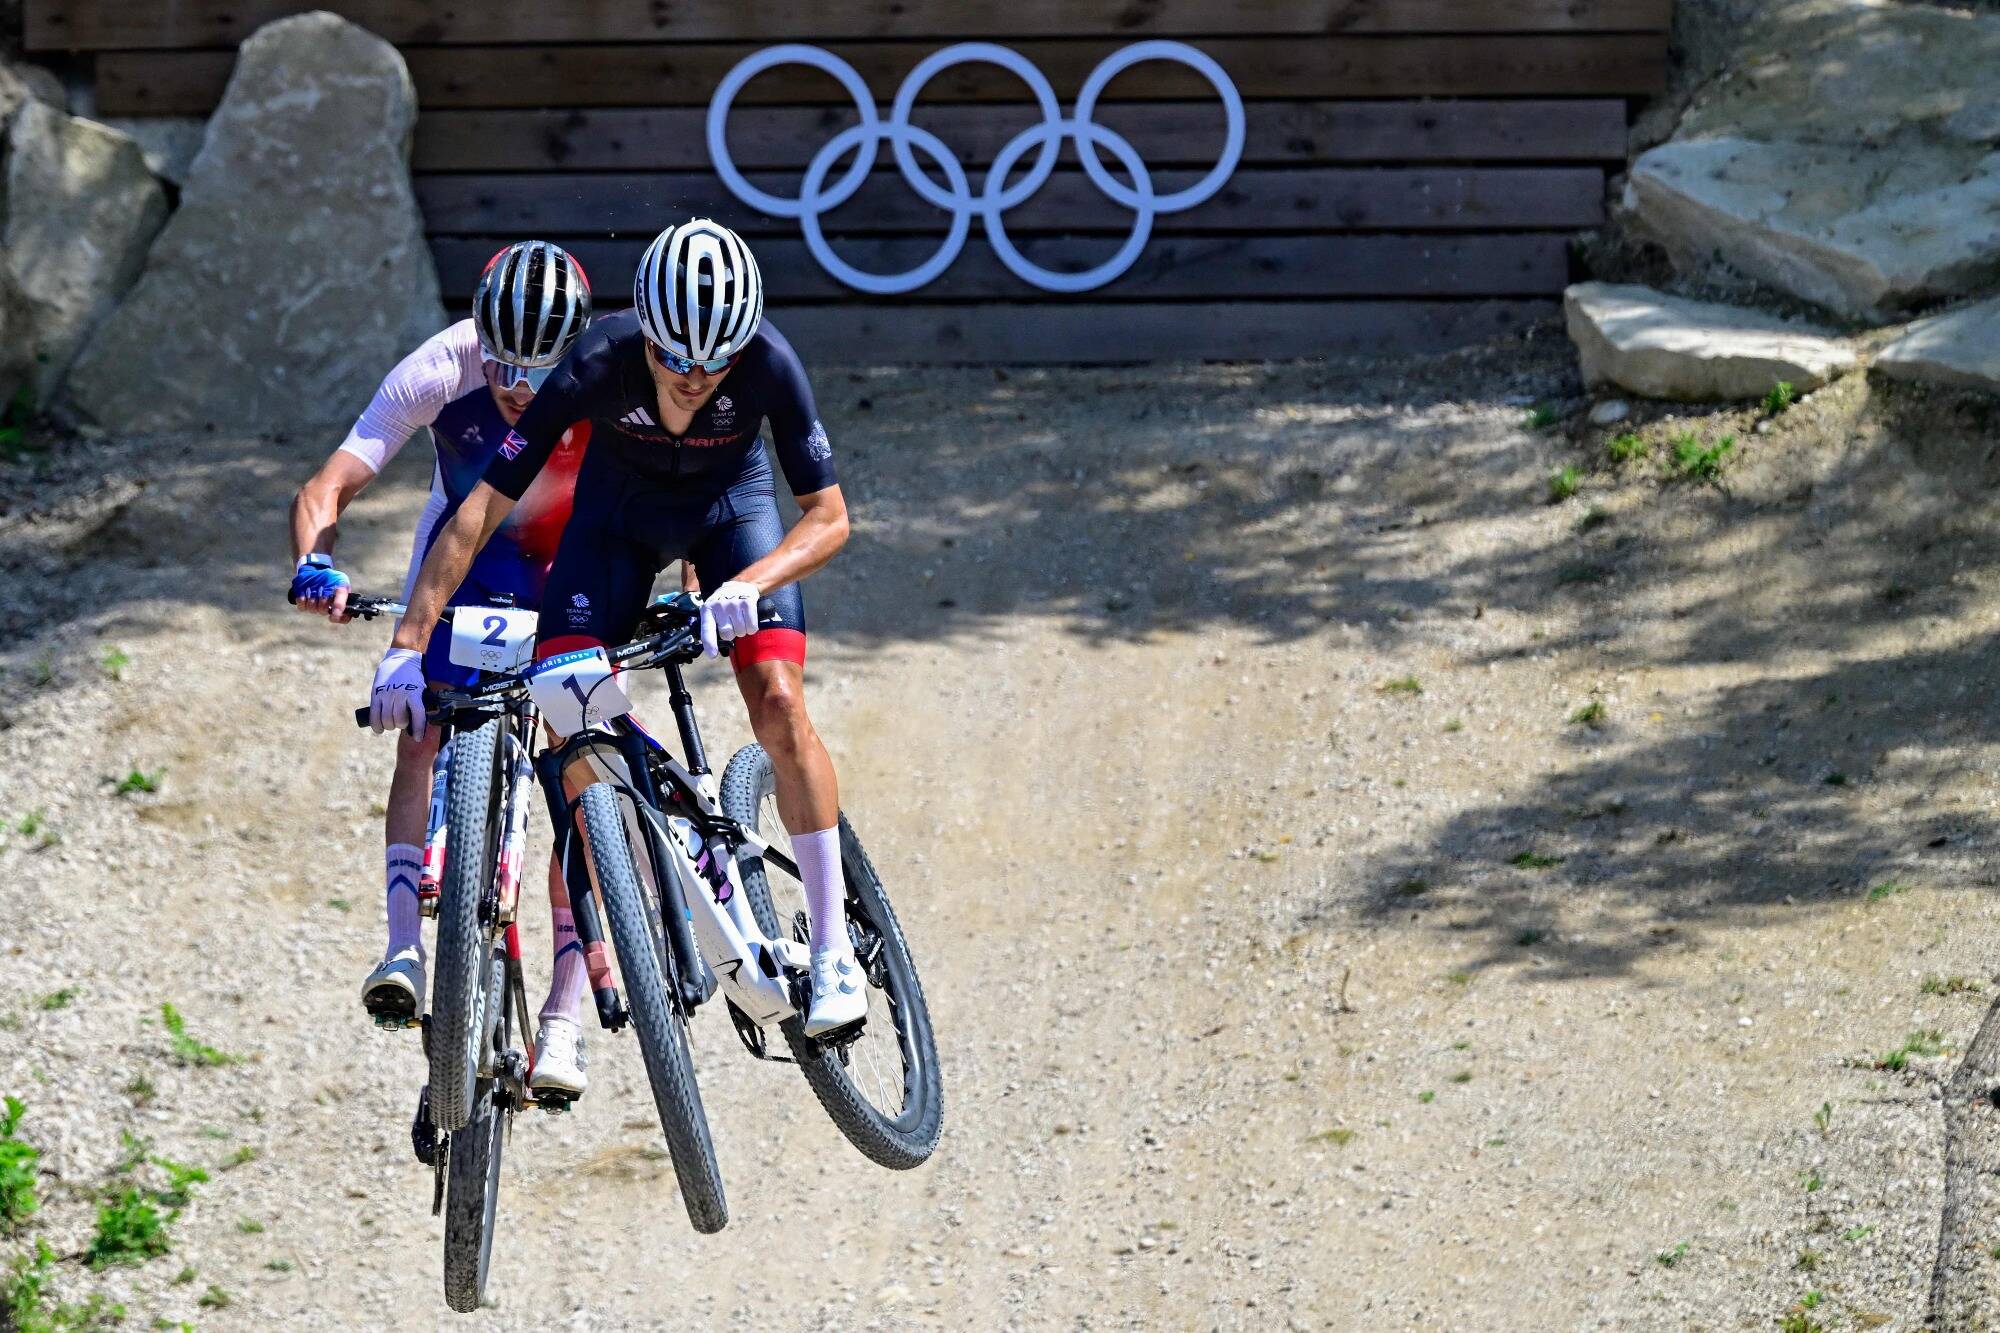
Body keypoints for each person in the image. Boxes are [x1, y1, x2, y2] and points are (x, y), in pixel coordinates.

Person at [370, 217, 866, 1037]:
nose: (694, 378)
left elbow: (830, 517)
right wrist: (405, 646)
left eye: (716, 363)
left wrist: (749, 580)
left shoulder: (772, 362)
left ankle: (835, 946)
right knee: (564, 701)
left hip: (729, 520)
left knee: (776, 700)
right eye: (673, 357)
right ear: (643, 331)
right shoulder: (596, 360)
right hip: (616, 530)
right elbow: (478, 510)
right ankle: (632, 872)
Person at [290, 240, 601, 1095]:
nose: (513, 386)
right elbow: (329, 485)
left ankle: (563, 1020)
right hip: (461, 566)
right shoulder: (439, 365)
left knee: (586, 781)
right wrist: (317, 562)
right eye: (499, 361)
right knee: (416, 726)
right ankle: (402, 948)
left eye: (537, 372)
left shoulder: (607, 374)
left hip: (569, 565)